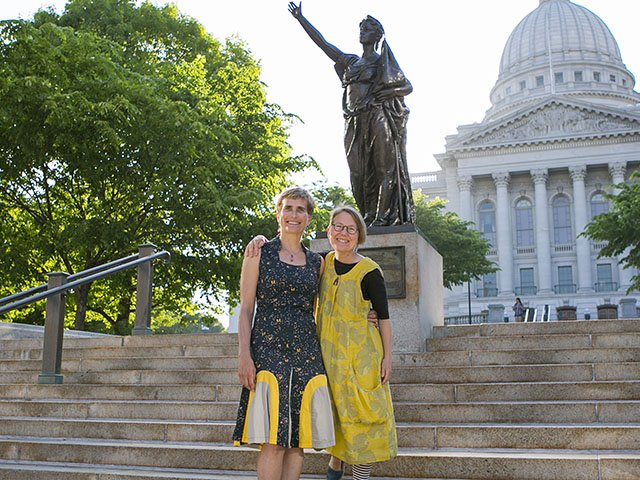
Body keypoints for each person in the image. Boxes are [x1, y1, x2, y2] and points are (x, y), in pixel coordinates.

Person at [232, 187, 335, 480]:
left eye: (301, 209)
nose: (294, 214)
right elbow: (246, 309)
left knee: (298, 441)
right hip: (267, 348)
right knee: (273, 441)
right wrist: (244, 354)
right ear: (278, 213)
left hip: (306, 350)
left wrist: (370, 313)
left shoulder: (318, 262)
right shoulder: (258, 252)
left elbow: (323, 307)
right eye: (288, 208)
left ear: (308, 218)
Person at [288, 2, 414, 227]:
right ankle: (366, 214)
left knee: (383, 168)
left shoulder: (381, 62)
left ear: (377, 35)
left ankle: (382, 216)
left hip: (377, 117)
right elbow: (323, 44)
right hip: (354, 121)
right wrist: (301, 19)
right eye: (361, 28)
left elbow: (406, 86)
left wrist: (382, 95)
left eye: (367, 29)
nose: (362, 31)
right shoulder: (352, 62)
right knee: (357, 173)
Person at [317, 205, 397, 480]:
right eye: (338, 226)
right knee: (338, 423)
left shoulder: (369, 271)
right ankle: (336, 465)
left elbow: (383, 317)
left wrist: (387, 358)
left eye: (350, 229)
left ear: (359, 235)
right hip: (329, 362)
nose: (343, 233)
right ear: (329, 231)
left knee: (364, 425)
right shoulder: (321, 264)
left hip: (362, 362)